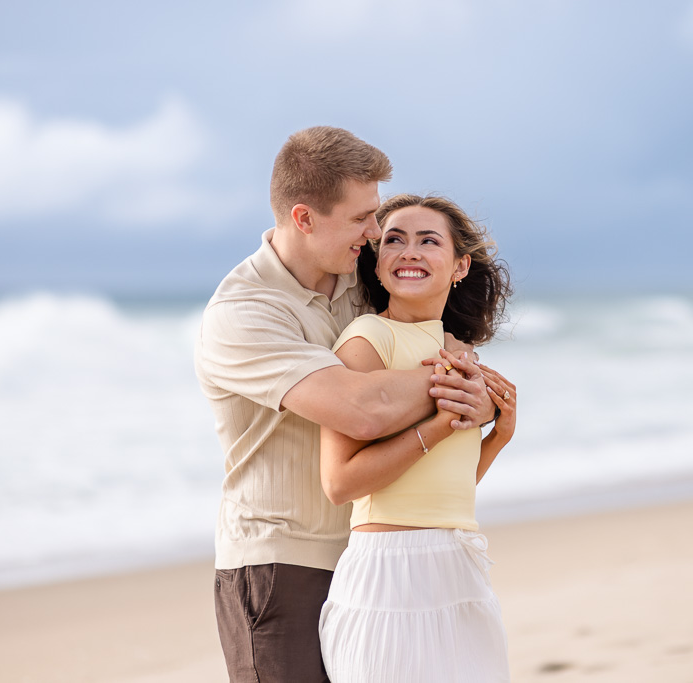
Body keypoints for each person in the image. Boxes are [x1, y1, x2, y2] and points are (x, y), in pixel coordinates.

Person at [194, 127, 500, 682]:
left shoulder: (360, 284)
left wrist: (484, 402)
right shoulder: (243, 313)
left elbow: (424, 331)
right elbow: (364, 409)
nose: (376, 231)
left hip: (369, 556)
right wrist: (459, 373)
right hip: (280, 563)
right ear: (305, 218)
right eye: (362, 218)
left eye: (374, 214)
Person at [318, 194, 516, 682]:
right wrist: (440, 424)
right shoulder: (367, 340)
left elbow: (444, 488)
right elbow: (341, 482)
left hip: (458, 565)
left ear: (459, 265)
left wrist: (499, 436)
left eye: (429, 241)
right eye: (394, 241)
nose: (410, 251)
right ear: (378, 263)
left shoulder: (461, 354)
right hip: (387, 573)